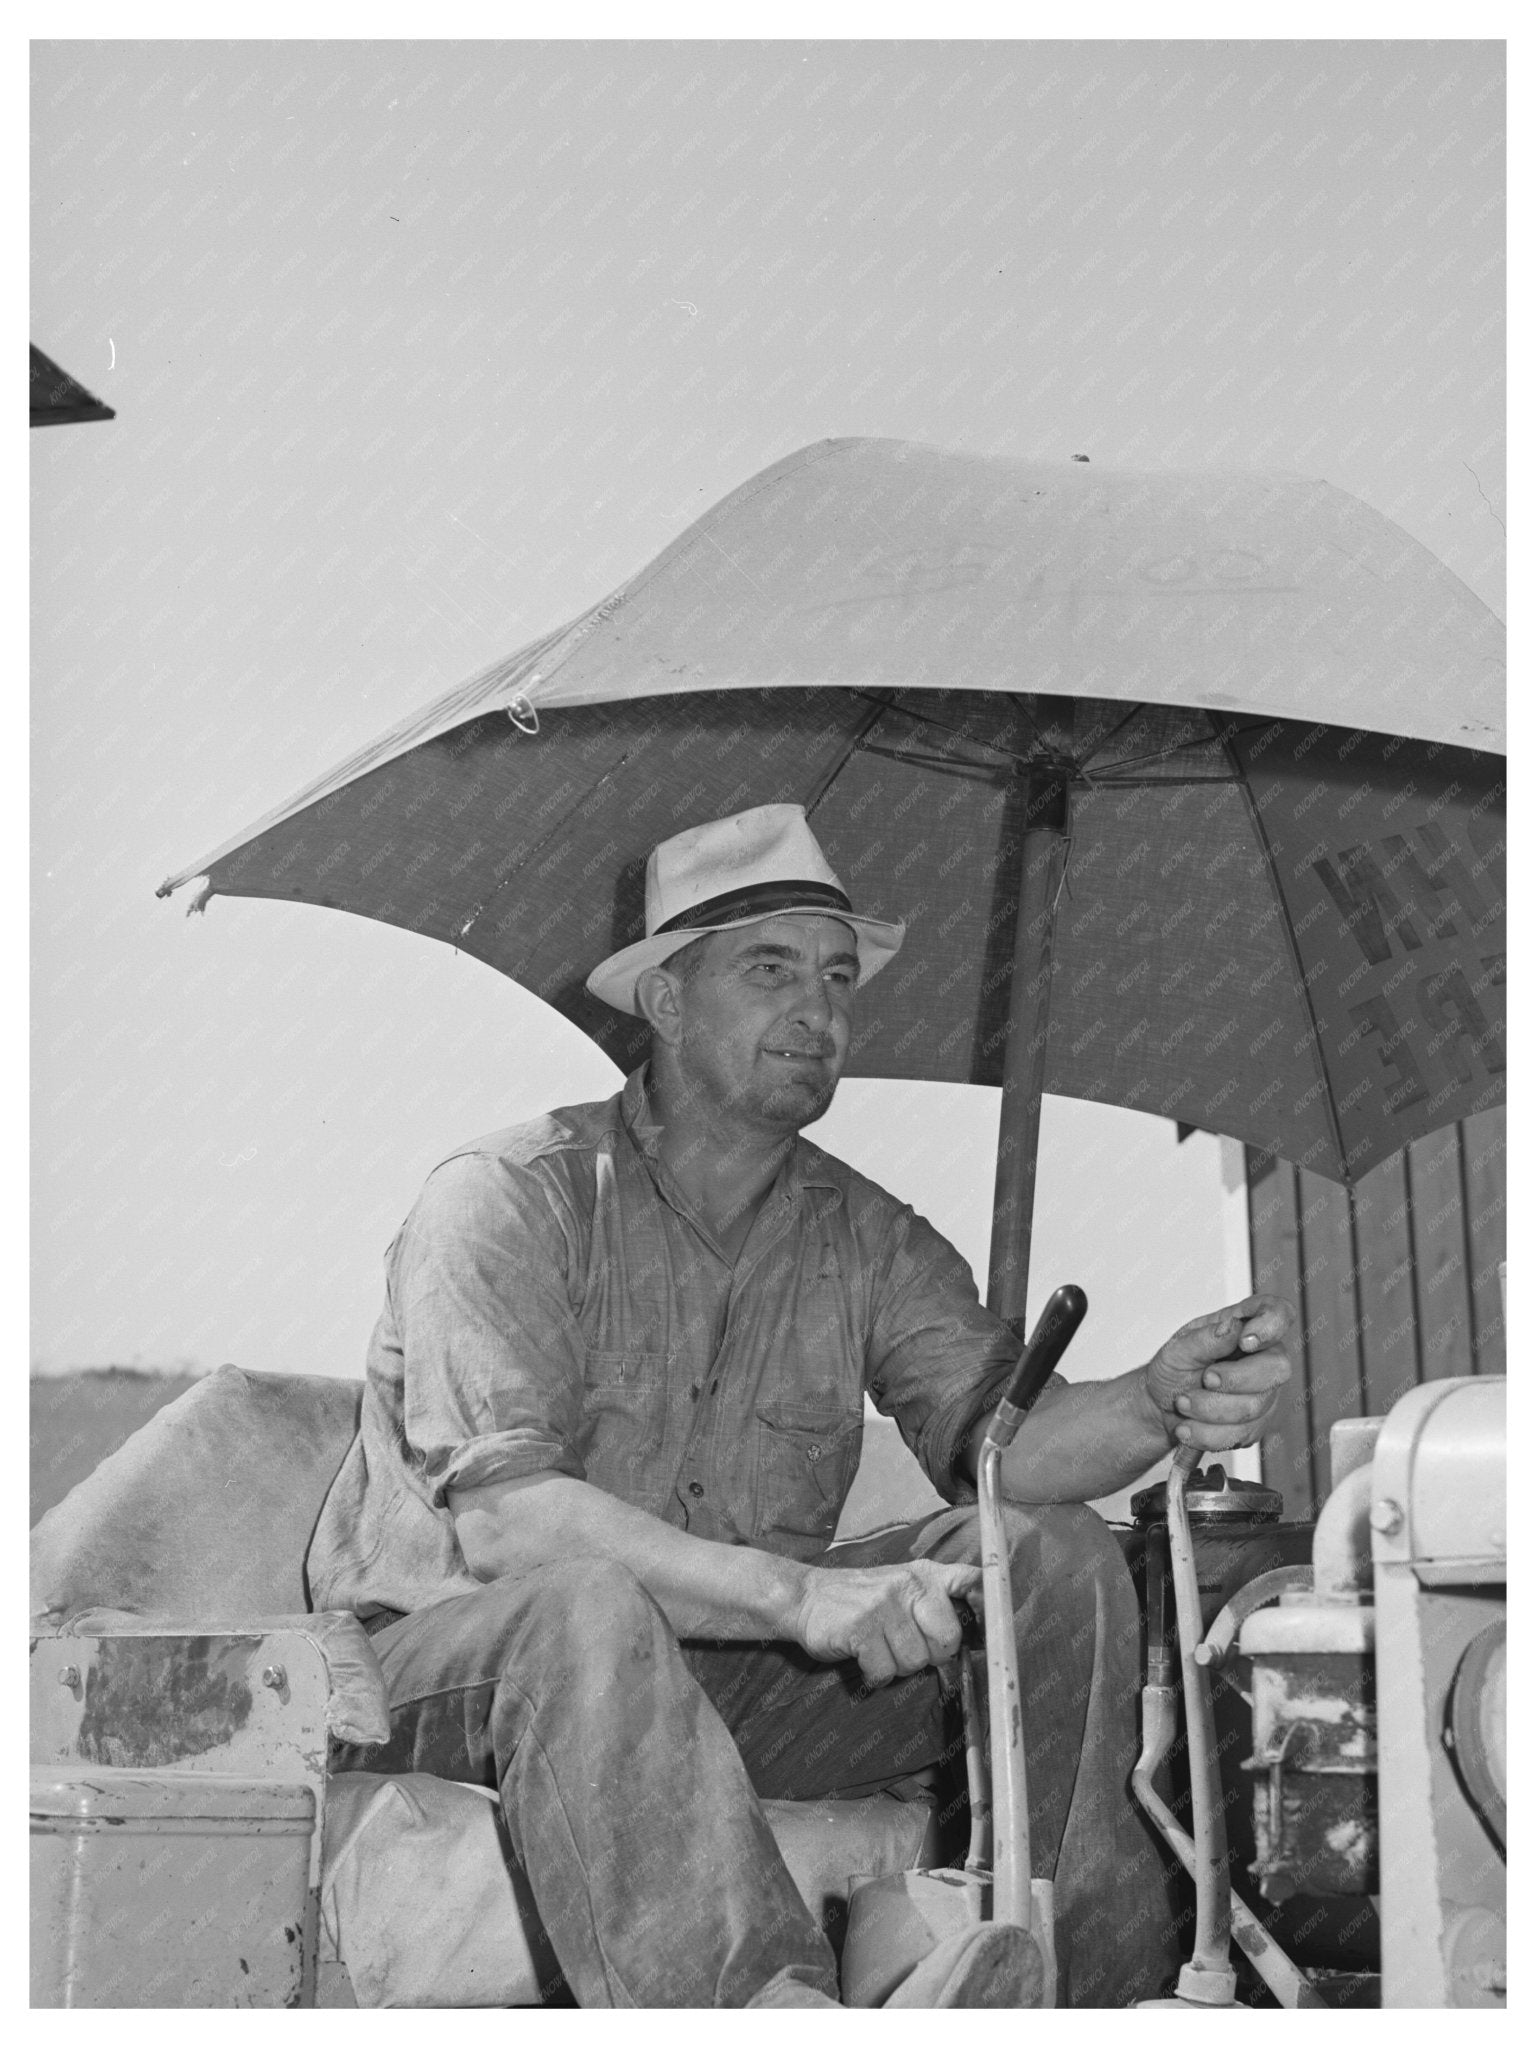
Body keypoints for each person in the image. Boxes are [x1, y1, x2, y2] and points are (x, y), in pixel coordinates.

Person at [310, 802, 1293, 2009]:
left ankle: (1072, 1985)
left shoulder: (867, 1237)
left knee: (1048, 1552)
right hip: (434, 1673)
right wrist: (800, 1591)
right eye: (770, 970)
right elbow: (511, 1527)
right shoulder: (510, 1197)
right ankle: (771, 2010)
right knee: (586, 1606)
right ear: (665, 1002)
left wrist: (1156, 1399)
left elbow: (1007, 1452)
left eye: (836, 977)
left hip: (709, 1670)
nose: (819, 1011)